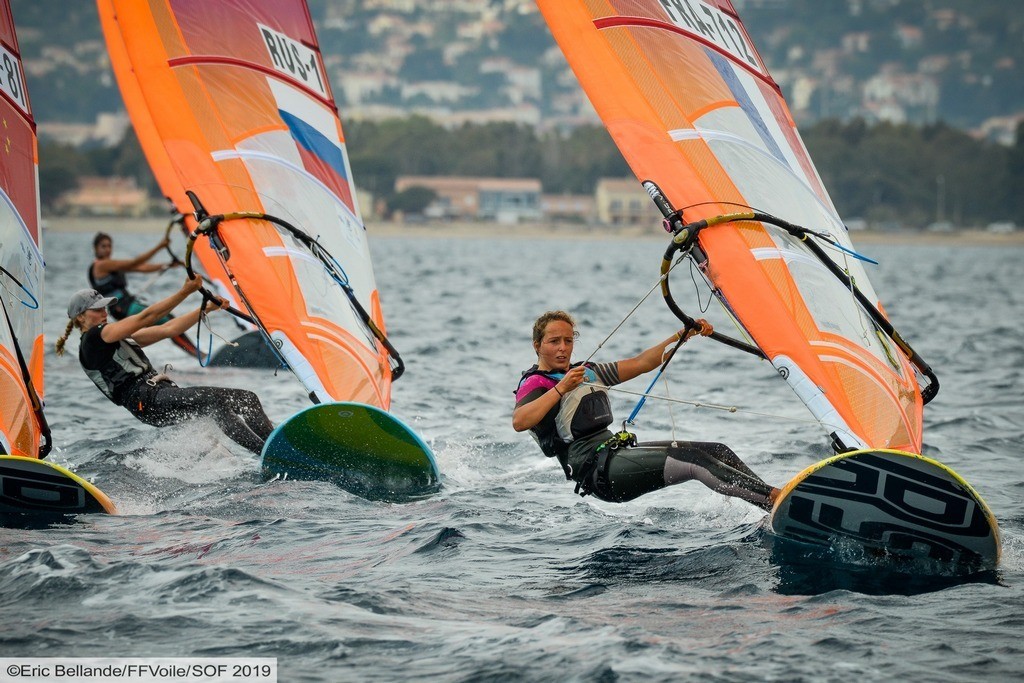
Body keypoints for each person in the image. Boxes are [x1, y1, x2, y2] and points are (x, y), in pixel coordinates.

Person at [513, 310, 779, 510]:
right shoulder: (536, 383)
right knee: (694, 460)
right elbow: (520, 421)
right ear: (537, 345)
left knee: (718, 450)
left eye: (568, 340)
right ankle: (774, 498)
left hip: (613, 452)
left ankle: (772, 505)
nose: (563, 348)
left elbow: (642, 362)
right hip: (595, 472)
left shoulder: (588, 372)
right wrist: (561, 388)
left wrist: (681, 336)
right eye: (554, 341)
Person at [56, 275, 275, 455]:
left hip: (156, 399)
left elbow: (169, 329)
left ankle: (272, 451)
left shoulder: (114, 338)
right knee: (238, 400)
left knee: (227, 405)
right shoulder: (93, 339)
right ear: (81, 317)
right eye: (97, 310)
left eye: (105, 308)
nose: (104, 313)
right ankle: (270, 453)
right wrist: (185, 292)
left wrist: (207, 309)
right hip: (148, 400)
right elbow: (146, 317)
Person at [89, 231, 200, 357]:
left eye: (109, 246)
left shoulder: (111, 266)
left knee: (164, 322)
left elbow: (142, 267)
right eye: (103, 246)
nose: (107, 249)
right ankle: (198, 355)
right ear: (96, 248)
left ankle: (197, 354)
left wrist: (167, 265)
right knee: (167, 320)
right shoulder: (101, 265)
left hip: (122, 308)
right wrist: (160, 246)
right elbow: (134, 262)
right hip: (124, 307)